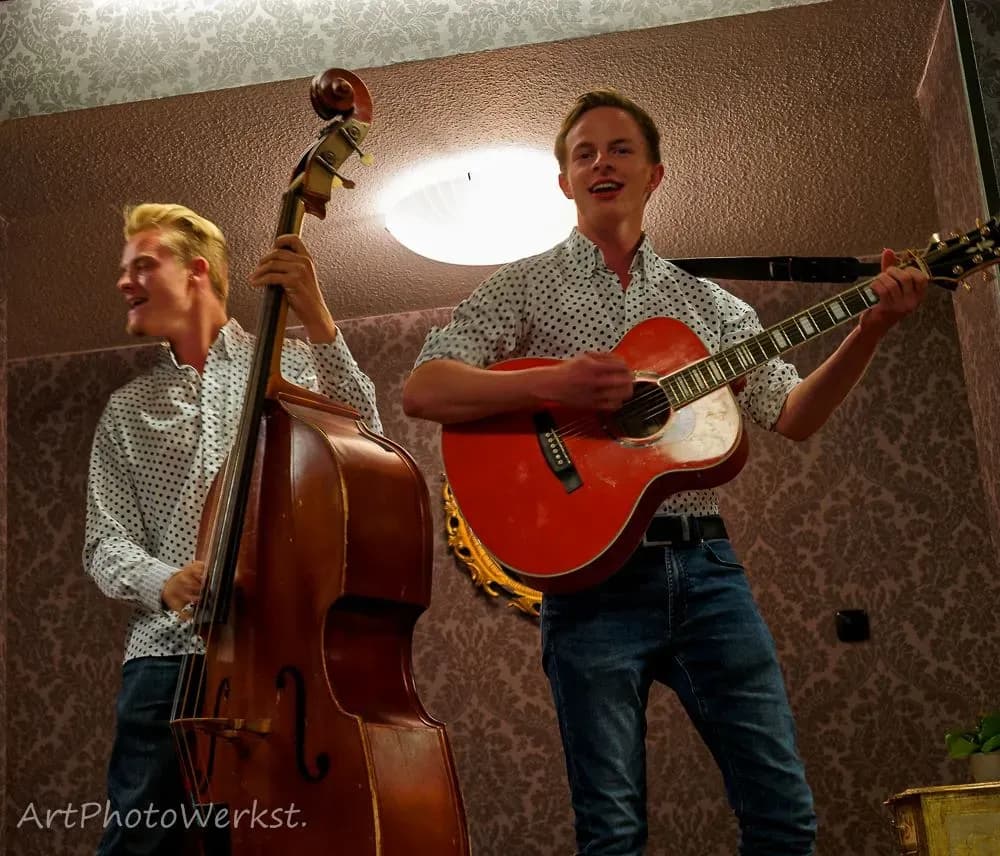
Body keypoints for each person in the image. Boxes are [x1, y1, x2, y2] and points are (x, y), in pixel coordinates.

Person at [402, 90, 927, 855]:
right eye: (583, 153)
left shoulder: (707, 307)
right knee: (611, 834)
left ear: (654, 174)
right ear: (563, 182)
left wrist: (870, 327)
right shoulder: (520, 286)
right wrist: (551, 386)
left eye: (619, 150)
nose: (600, 163)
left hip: (707, 572)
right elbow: (424, 388)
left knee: (785, 819)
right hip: (586, 592)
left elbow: (797, 413)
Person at [84, 202, 382, 855]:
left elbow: (367, 438)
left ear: (196, 272)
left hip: (274, 660)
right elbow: (103, 542)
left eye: (142, 265)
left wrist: (316, 314)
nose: (122, 282)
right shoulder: (127, 411)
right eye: (122, 270)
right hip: (165, 663)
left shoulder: (291, 367)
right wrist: (168, 579)